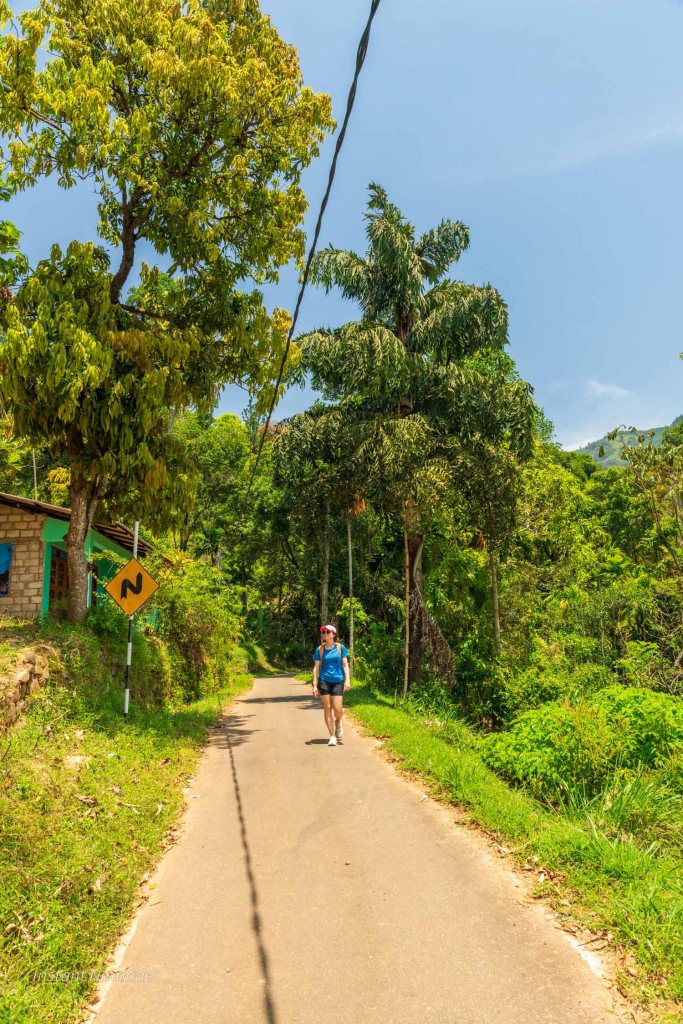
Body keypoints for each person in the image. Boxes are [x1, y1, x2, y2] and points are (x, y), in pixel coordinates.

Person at [312, 624, 350, 746]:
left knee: (338, 709)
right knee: (327, 707)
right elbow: (316, 667)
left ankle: (338, 721)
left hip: (338, 680)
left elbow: (345, 665)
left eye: (327, 632)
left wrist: (347, 680)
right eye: (323, 632)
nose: (324, 634)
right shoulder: (320, 650)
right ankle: (332, 735)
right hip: (324, 680)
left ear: (333, 634)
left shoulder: (340, 648)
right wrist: (314, 684)